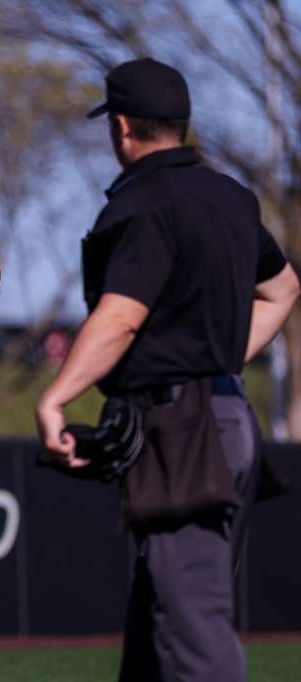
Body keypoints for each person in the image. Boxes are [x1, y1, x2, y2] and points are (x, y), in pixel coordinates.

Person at [36, 58, 300, 682]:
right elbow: (285, 290)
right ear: (181, 124)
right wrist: (220, 357)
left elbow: (122, 315)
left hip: (183, 434)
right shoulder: (231, 198)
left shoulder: (146, 203)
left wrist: (56, 399)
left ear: (121, 127)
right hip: (224, 419)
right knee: (161, 618)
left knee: (191, 626)